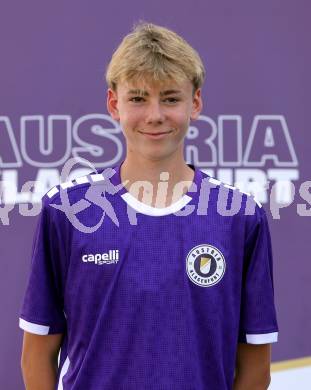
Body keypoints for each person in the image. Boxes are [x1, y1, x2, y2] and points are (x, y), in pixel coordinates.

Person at [19, 22, 278, 389]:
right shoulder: (68, 210)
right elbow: (37, 355)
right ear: (114, 104)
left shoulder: (238, 214)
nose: (154, 115)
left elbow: (256, 369)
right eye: (138, 98)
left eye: (170, 98)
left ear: (196, 103)